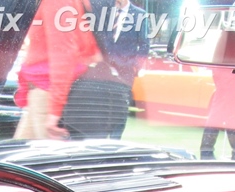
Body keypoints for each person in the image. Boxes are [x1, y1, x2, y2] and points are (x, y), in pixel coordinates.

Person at [13, 0, 102, 140]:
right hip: (43, 93)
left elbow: (63, 54)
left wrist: (54, 112)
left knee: (37, 151)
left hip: (46, 94)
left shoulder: (57, 2)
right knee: (20, 149)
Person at [98, 0, 150, 138]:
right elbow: (98, 37)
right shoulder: (105, 13)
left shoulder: (140, 15)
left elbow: (144, 44)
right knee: (102, 105)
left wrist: (135, 66)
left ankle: (115, 141)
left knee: (120, 108)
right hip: (104, 67)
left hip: (125, 70)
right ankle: (101, 140)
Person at [200, 68, 235, 161]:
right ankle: (207, 151)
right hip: (228, 76)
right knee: (219, 116)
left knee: (228, 117)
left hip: (228, 75)